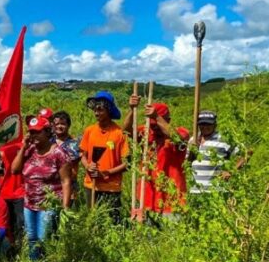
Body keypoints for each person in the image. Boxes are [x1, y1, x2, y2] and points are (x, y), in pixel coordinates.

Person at [10, 116, 72, 261]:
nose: (34, 136)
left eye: (37, 132)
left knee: (43, 238)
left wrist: (65, 207)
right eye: (31, 132)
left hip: (48, 205)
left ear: (47, 132)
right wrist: (23, 147)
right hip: (29, 204)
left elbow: (66, 181)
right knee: (31, 238)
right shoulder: (29, 150)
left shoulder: (58, 153)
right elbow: (14, 170)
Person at [124, 98, 189, 219]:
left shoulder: (181, 132)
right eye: (151, 124)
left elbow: (178, 138)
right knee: (148, 236)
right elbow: (127, 131)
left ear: (168, 120)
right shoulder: (146, 132)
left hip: (172, 201)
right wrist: (132, 109)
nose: (154, 128)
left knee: (171, 236)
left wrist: (157, 117)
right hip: (147, 198)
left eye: (156, 124)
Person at [80, 91, 129, 224]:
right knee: (93, 220)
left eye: (100, 110)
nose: (96, 113)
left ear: (109, 110)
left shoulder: (119, 133)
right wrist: (88, 166)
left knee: (113, 222)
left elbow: (127, 164)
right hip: (91, 185)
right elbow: (82, 155)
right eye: (95, 110)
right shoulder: (89, 131)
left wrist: (106, 173)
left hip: (111, 187)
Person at [188, 111, 243, 195]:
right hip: (195, 192)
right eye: (202, 124)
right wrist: (192, 150)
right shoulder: (193, 139)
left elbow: (246, 153)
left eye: (208, 124)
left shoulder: (223, 139)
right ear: (198, 125)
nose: (205, 127)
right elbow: (187, 163)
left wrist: (231, 172)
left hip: (216, 192)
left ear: (215, 125)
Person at [52, 111, 81, 205]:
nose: (59, 126)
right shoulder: (48, 142)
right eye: (57, 124)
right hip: (50, 190)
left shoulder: (74, 144)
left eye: (63, 124)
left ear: (68, 125)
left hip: (69, 189)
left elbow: (76, 166)